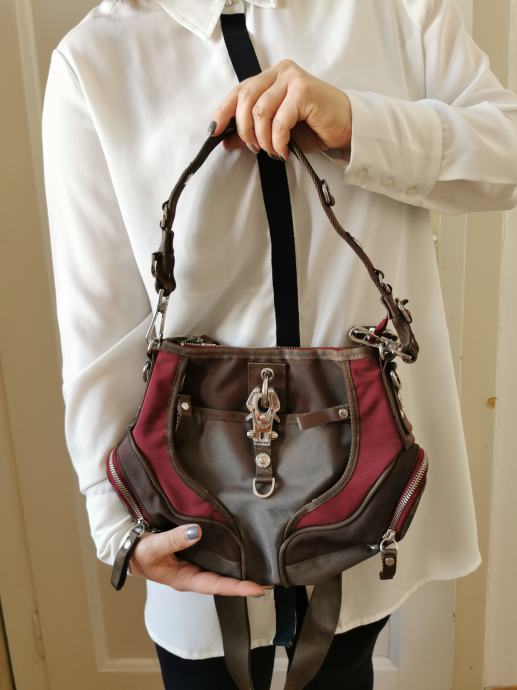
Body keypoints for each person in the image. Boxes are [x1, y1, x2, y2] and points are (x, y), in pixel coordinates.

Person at [41, 0, 517, 688]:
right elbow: (99, 319)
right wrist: (118, 524)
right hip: (188, 507)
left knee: (346, 663)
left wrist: (359, 125)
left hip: (365, 493)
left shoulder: (397, 9)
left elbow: (506, 154)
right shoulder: (97, 57)